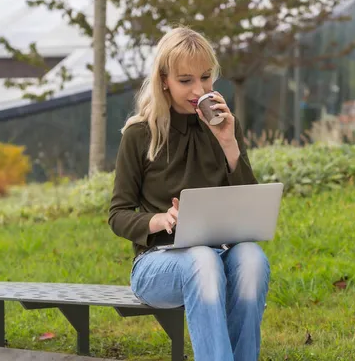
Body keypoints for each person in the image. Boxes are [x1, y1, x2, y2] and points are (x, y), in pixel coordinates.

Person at [108, 26, 271, 361]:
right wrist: (159, 220)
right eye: (186, 81)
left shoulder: (224, 126)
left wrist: (229, 142)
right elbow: (118, 214)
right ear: (164, 79)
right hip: (157, 264)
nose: (200, 90)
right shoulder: (140, 134)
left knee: (252, 258)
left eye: (207, 78)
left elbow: (247, 205)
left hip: (220, 253)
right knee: (201, 259)